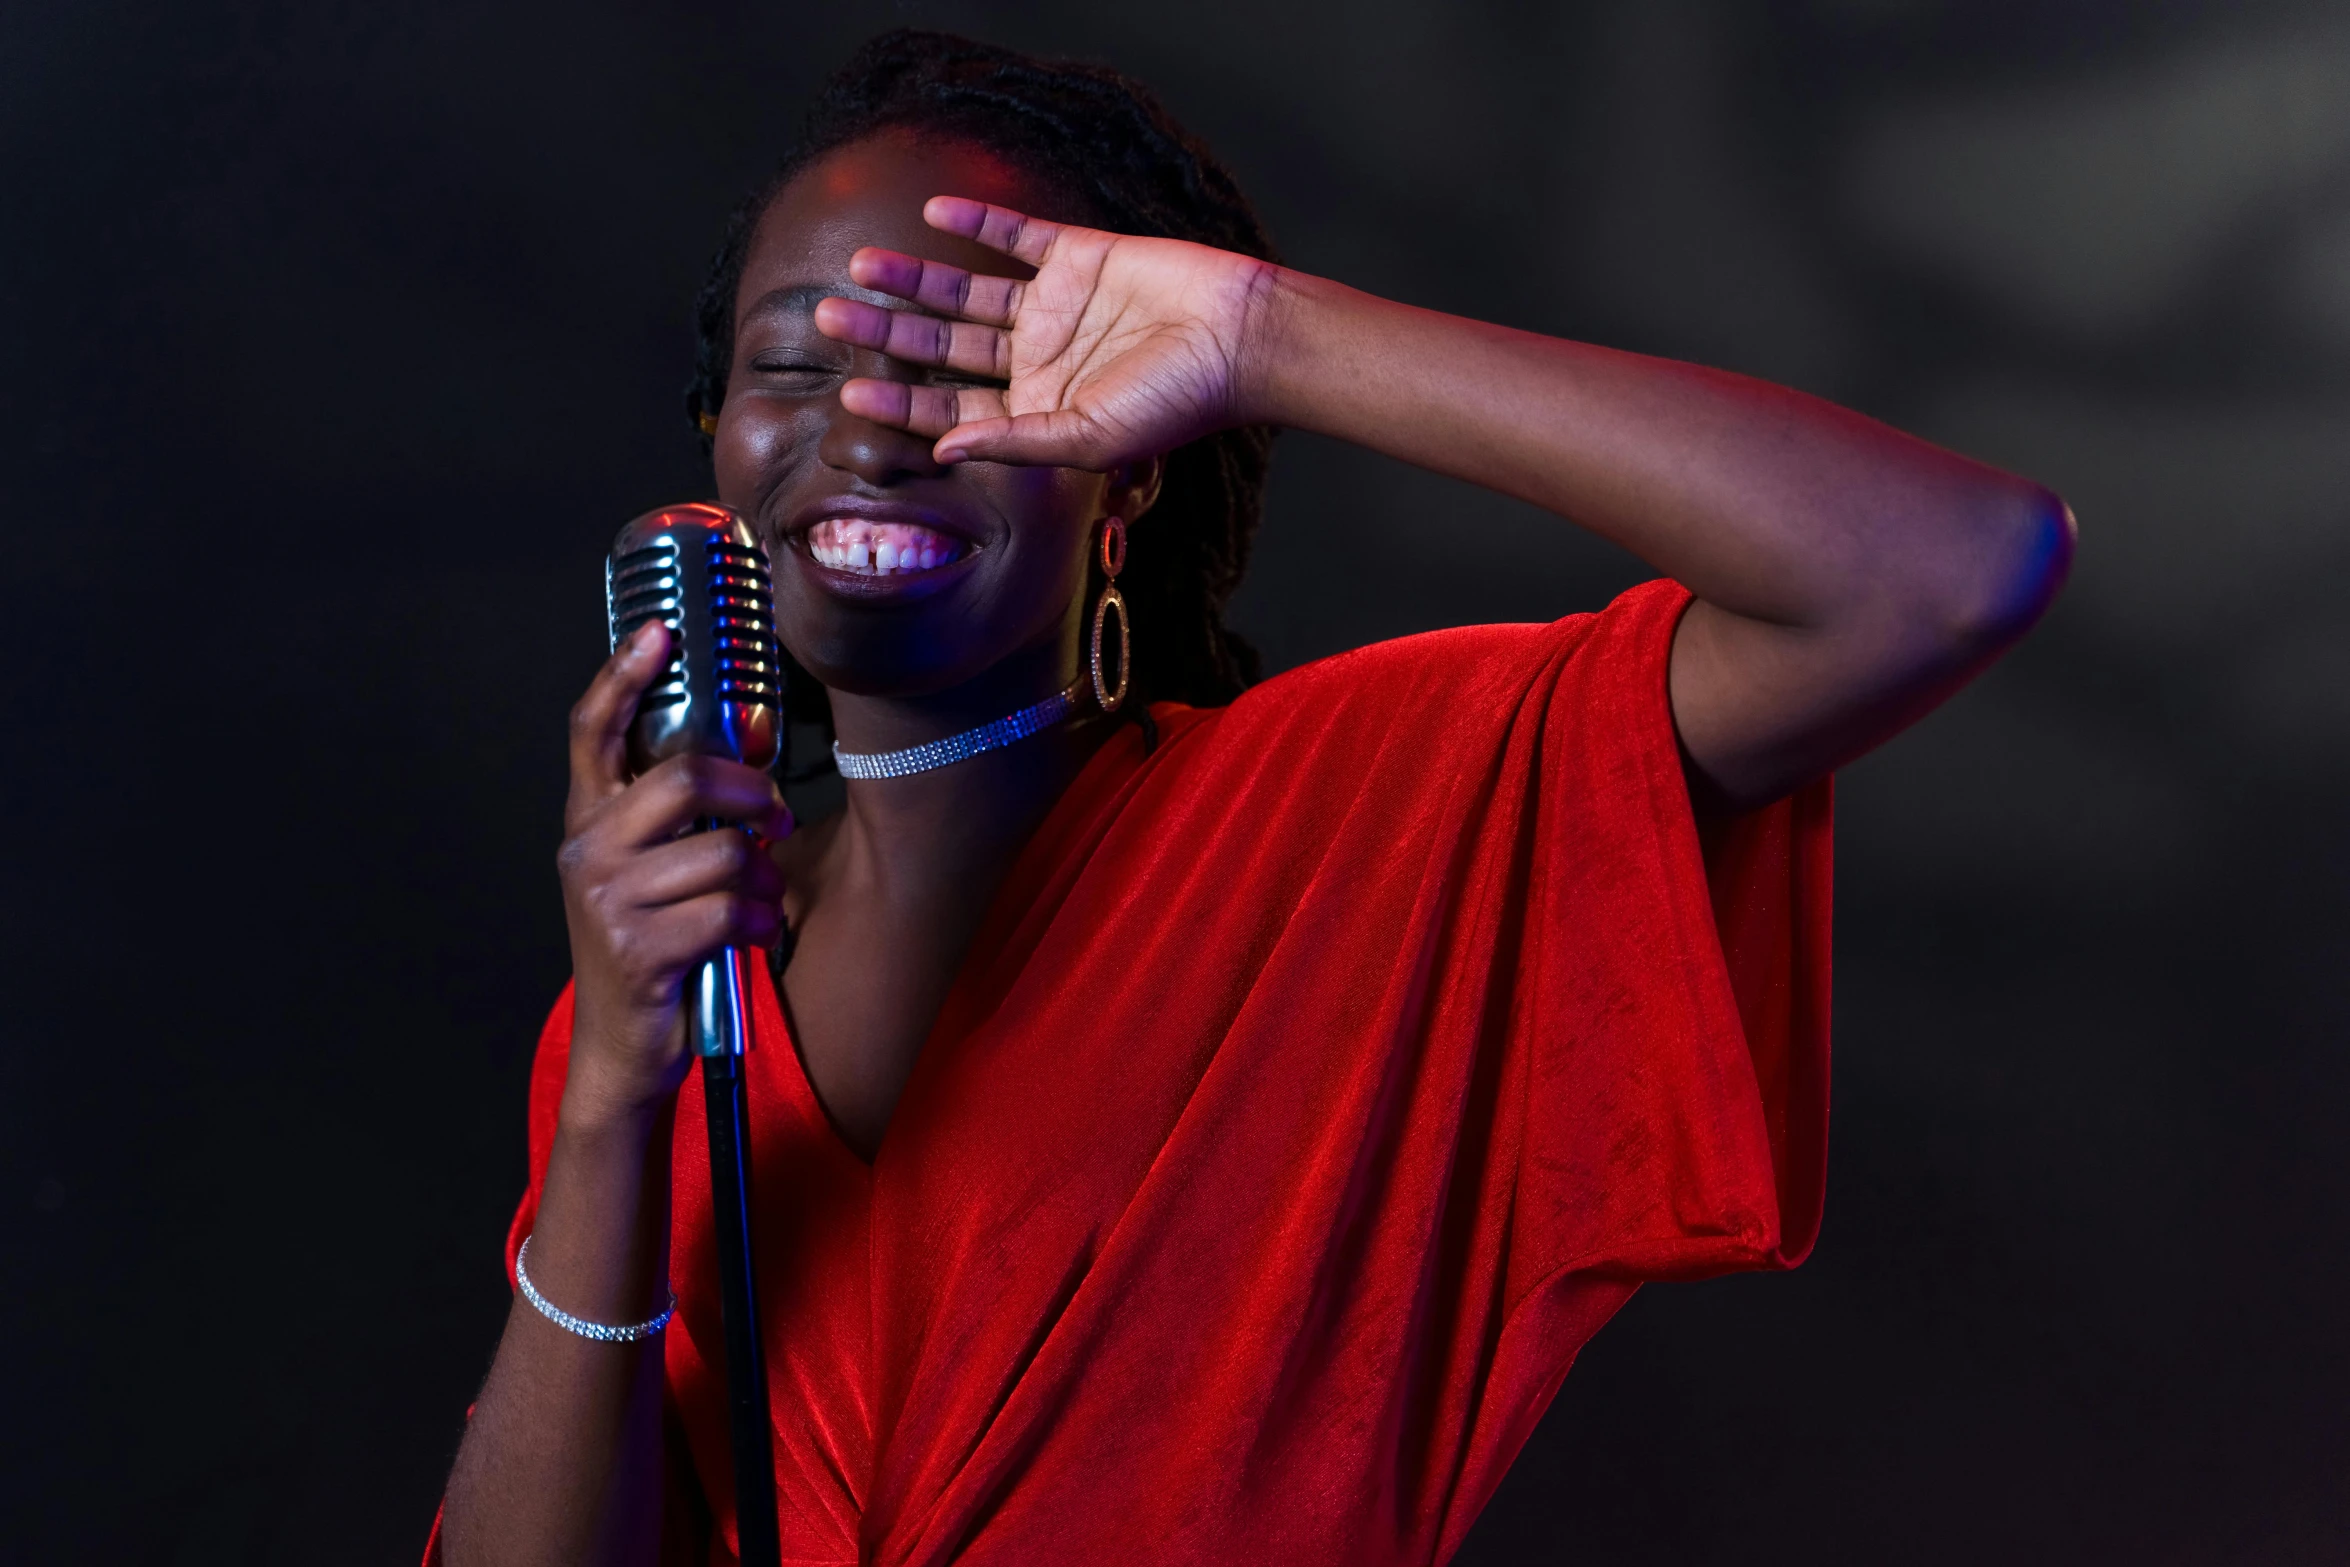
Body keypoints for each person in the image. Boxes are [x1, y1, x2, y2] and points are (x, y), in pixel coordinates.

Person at [432, 28, 2071, 1567]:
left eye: (967, 358)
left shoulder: (1363, 811)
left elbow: (1939, 573)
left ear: (1132, 454)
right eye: (795, 367)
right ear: (716, 446)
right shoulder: (656, 993)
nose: (872, 425)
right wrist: (608, 1104)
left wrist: (1265, 338)